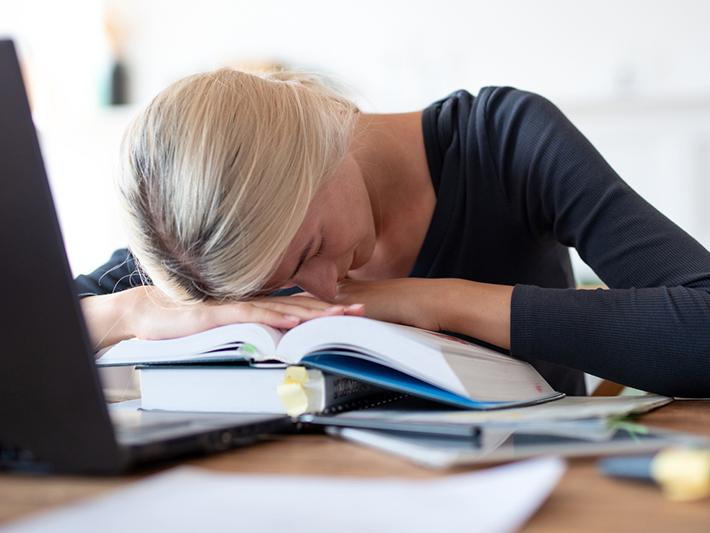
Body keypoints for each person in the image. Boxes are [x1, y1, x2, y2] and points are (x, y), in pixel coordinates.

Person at [76, 69, 710, 397]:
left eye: (313, 248)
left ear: (320, 137)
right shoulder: (204, 235)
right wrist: (131, 310)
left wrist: (429, 300)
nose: (322, 290)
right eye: (288, 286)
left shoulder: (504, 140)